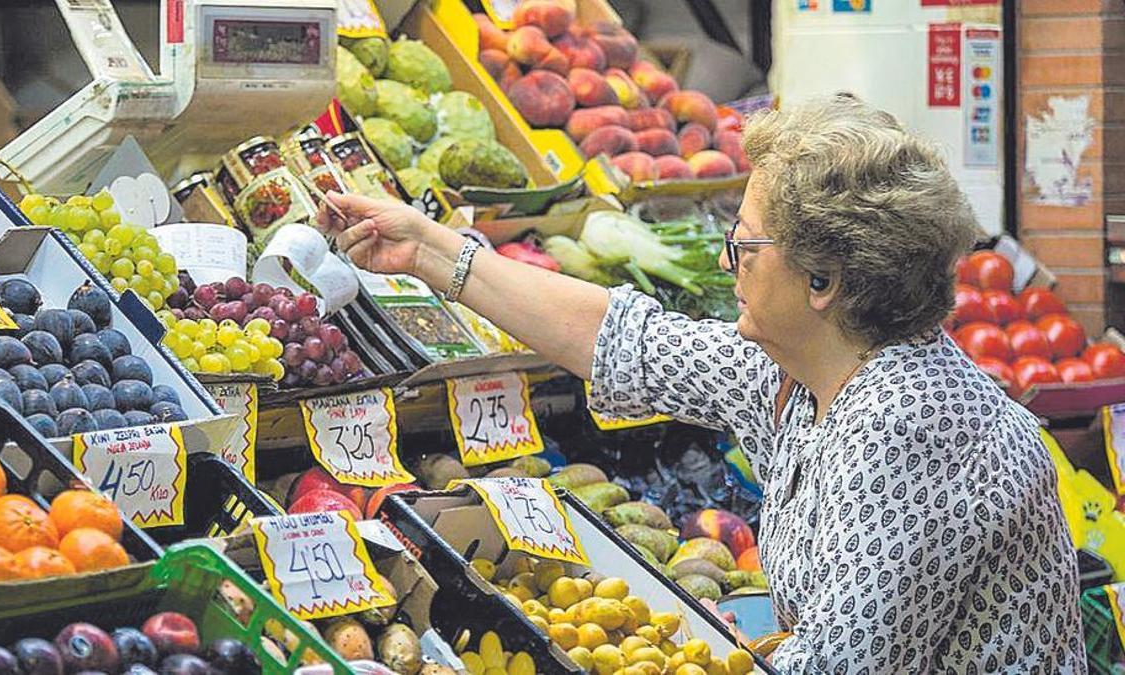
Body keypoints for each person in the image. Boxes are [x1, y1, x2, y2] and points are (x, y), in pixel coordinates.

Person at [318, 94, 1086, 672]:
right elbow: (626, 340)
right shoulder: (805, 367)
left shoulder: (907, 426)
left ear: (823, 279)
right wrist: (430, 252)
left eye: (744, 244)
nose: (726, 263)